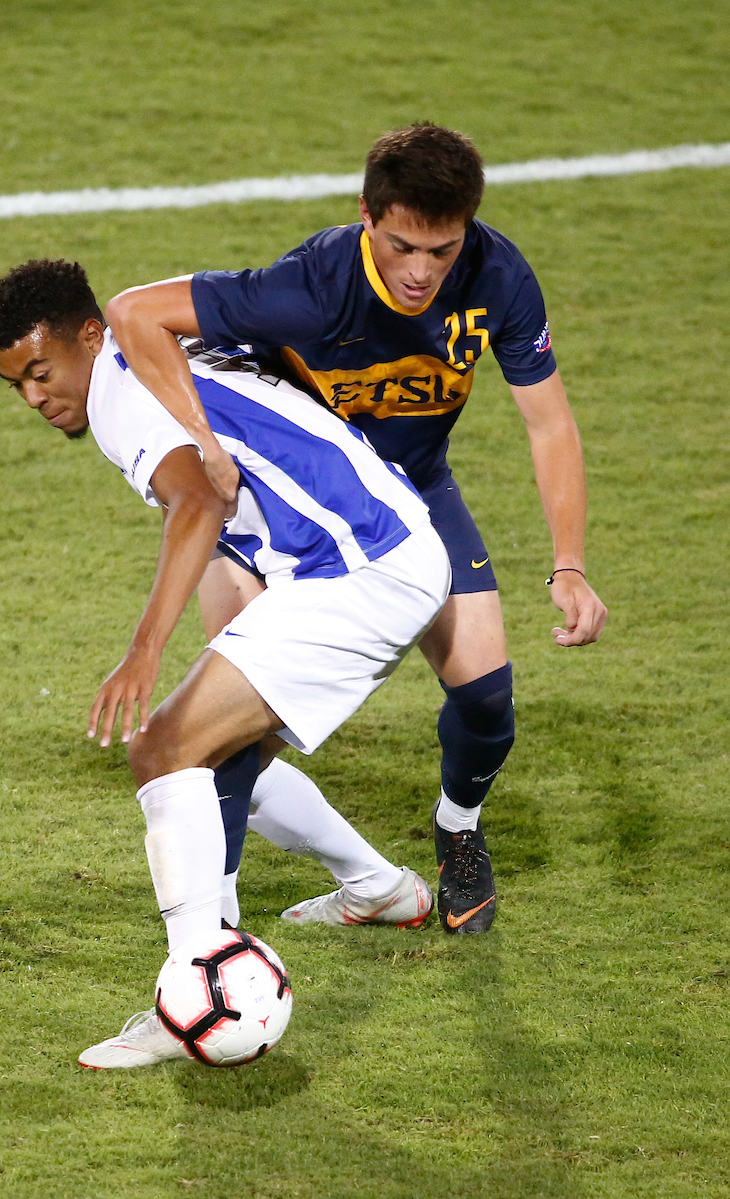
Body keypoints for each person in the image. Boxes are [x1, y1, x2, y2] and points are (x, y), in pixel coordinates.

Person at [101, 122, 609, 936]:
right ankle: (215, 944)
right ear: (366, 215)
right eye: (402, 245)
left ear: (467, 231)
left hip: (412, 496)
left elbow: (549, 424)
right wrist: (202, 444)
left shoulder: (501, 279)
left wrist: (571, 564)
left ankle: (456, 829)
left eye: (440, 251)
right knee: (233, 724)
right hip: (291, 510)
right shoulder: (309, 285)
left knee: (488, 703)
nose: (419, 272)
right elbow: (134, 315)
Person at [0, 258, 450, 1068]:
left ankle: (191, 986)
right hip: (376, 544)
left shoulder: (121, 395)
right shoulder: (167, 350)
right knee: (220, 757)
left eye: (40, 371)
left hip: (360, 569)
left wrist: (143, 653)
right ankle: (380, 888)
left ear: (90, 336)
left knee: (163, 749)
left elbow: (197, 499)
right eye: (15, 385)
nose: (34, 397)